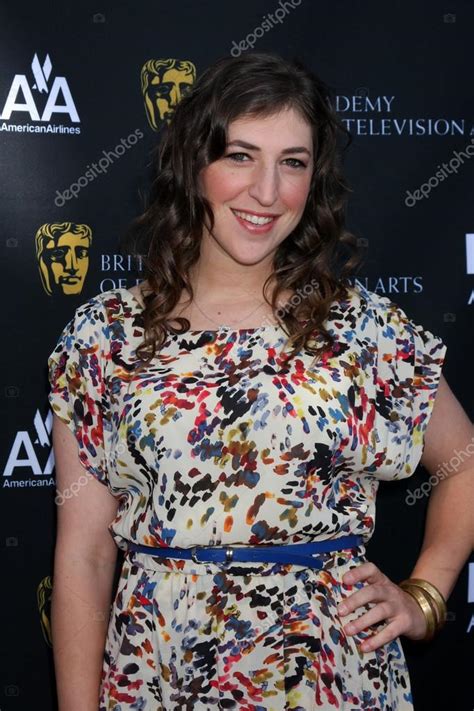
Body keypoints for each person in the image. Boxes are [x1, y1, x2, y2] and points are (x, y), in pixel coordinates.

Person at [47, 52, 474, 711]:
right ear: (194, 163)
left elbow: (465, 461)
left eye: (293, 162)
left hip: (331, 680)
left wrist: (426, 595)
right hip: (159, 679)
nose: (267, 191)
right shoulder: (107, 335)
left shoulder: (362, 329)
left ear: (316, 178)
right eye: (241, 155)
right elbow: (83, 554)